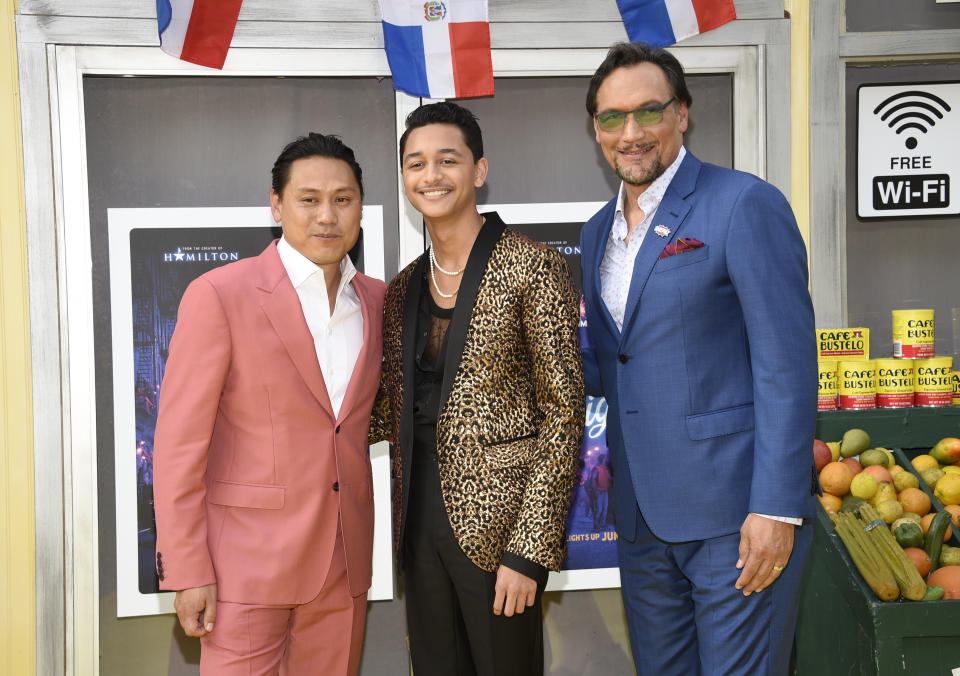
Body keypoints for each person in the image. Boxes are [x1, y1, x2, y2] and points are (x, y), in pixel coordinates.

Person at [579, 42, 818, 675]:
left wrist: (775, 508)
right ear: (596, 130)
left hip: (736, 520)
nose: (630, 134)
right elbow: (616, 361)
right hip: (641, 523)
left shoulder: (743, 204)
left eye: (648, 111)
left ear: (682, 114)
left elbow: (787, 368)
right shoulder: (597, 232)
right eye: (611, 118)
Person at [153, 133, 385, 675]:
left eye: (343, 199)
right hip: (243, 570)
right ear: (277, 205)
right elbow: (179, 446)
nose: (326, 215)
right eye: (308, 199)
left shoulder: (378, 300)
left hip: (343, 565)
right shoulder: (219, 294)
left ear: (359, 207)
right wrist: (189, 570)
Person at [371, 101, 584, 675]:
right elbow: (383, 407)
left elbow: (563, 415)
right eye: (415, 164)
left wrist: (530, 549)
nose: (431, 175)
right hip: (417, 521)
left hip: (502, 529)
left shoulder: (534, 267)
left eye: (448, 160)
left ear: (479, 170)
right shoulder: (401, 289)